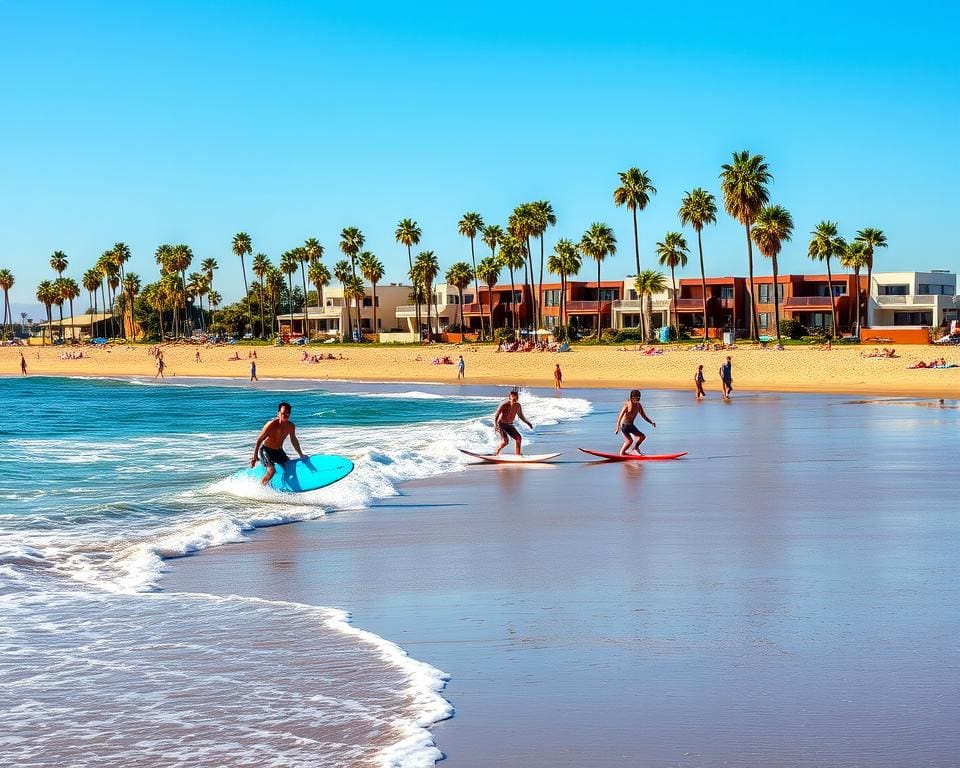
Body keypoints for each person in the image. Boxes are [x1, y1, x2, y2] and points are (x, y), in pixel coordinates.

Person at [250, 401, 307, 486]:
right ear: (278, 413)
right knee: (272, 471)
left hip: (278, 451)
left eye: (288, 413)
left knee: (289, 466)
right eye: (284, 413)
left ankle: (285, 485)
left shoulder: (290, 426)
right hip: (266, 450)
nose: (286, 415)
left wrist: (301, 455)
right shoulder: (271, 425)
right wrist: (255, 456)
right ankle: (259, 488)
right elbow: (259, 440)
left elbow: (294, 440)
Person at [615, 389, 656, 455]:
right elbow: (620, 416)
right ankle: (622, 453)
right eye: (634, 396)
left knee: (642, 437)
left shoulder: (638, 405)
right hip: (624, 426)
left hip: (631, 425)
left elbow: (644, 416)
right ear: (631, 397)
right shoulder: (627, 405)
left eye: (637, 397)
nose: (635, 398)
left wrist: (651, 422)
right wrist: (617, 427)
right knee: (629, 441)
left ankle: (635, 448)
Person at [493, 390, 533, 455]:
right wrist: (495, 425)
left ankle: (518, 454)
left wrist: (527, 423)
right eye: (513, 397)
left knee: (518, 438)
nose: (514, 399)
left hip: (509, 425)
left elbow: (521, 416)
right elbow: (496, 415)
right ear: (510, 397)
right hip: (501, 425)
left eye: (516, 397)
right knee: (505, 441)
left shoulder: (518, 406)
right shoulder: (504, 405)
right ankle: (496, 452)